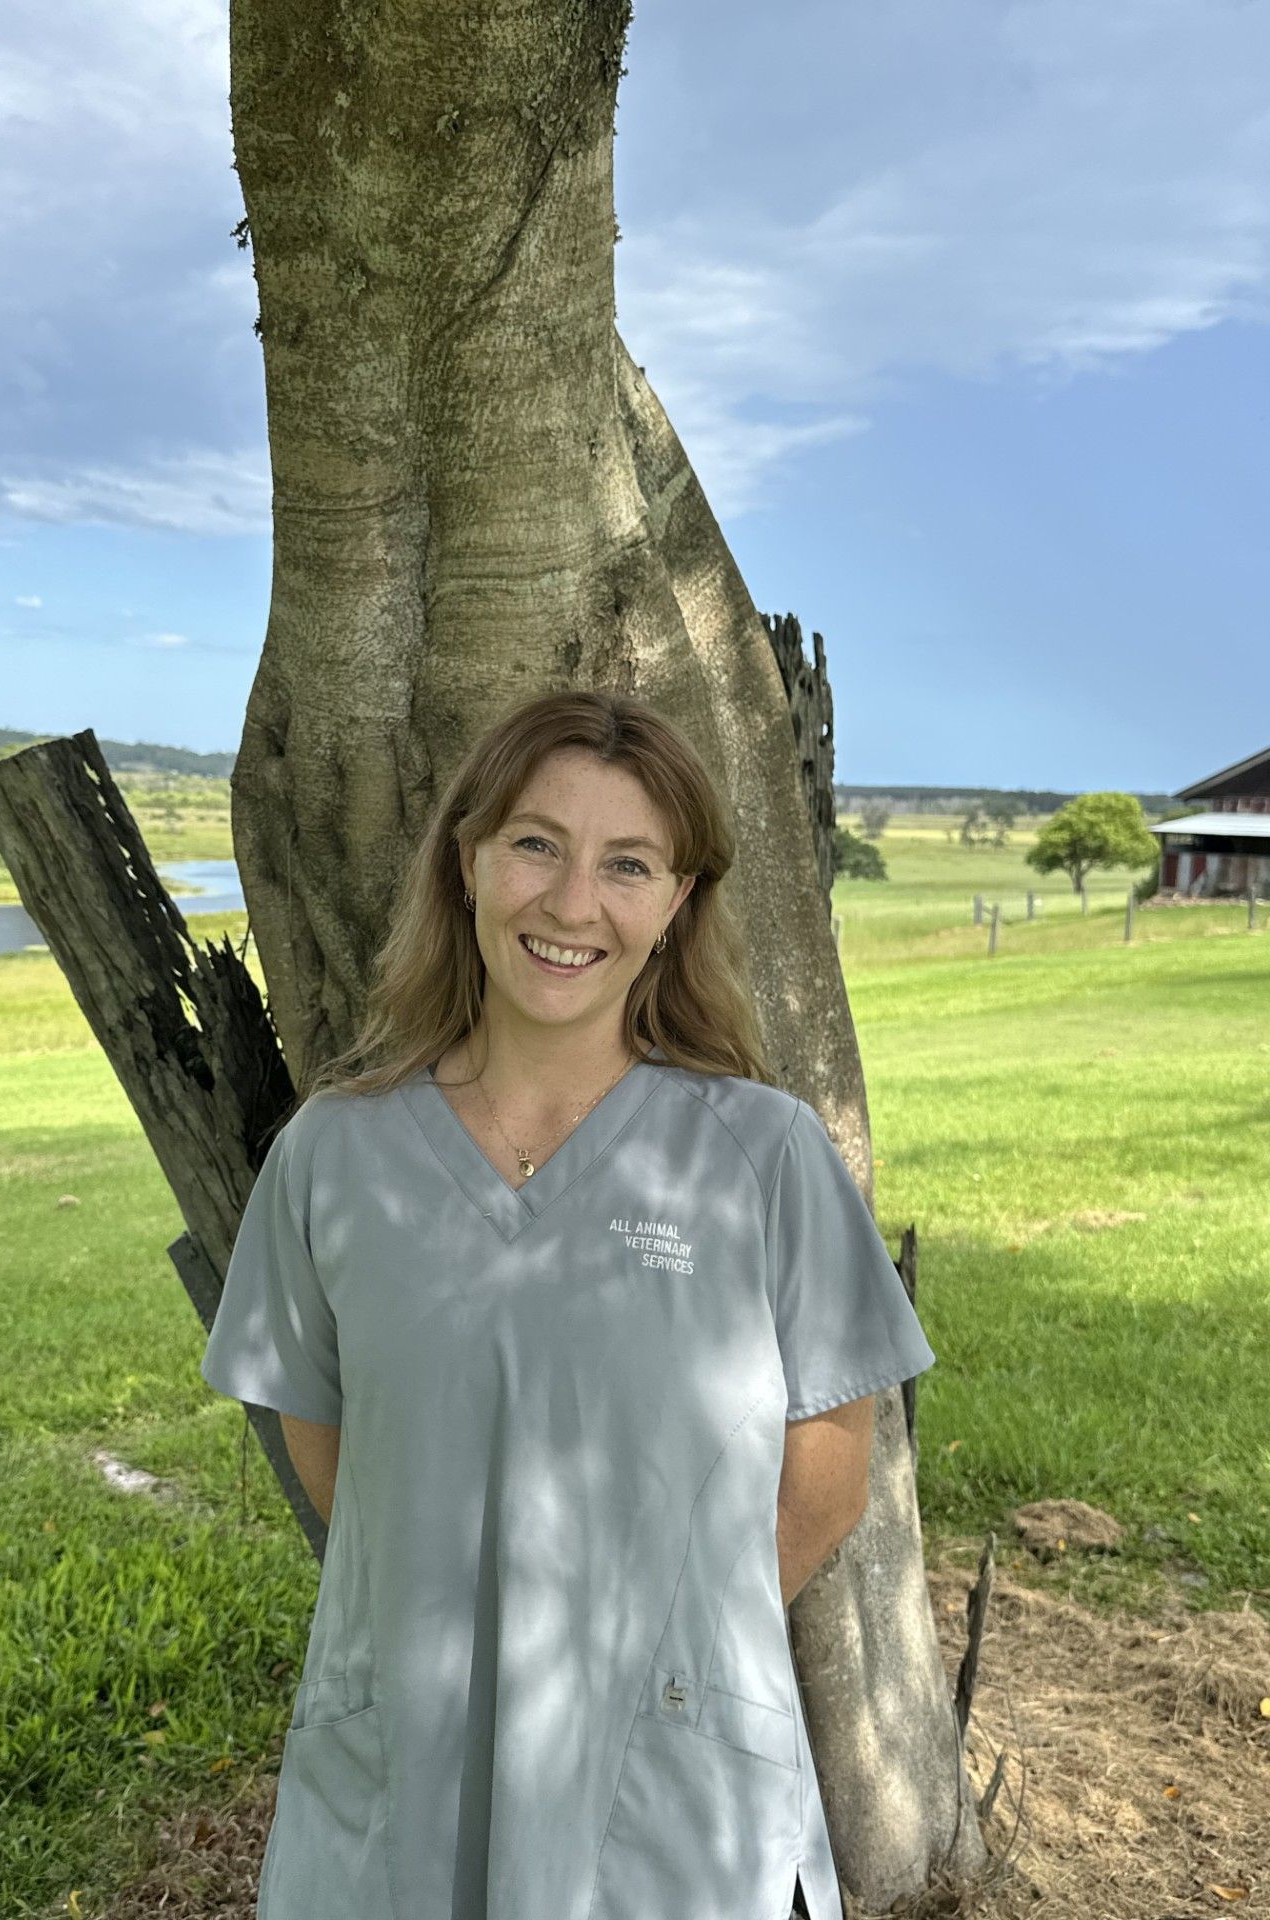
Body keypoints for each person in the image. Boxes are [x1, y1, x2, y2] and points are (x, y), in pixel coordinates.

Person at [200, 689, 936, 1920]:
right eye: (537, 843)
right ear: (469, 859)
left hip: (671, 1781)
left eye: (629, 864)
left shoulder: (762, 1157)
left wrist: (658, 1654)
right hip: (411, 1752)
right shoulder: (334, 1156)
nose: (572, 902)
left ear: (677, 907)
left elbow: (831, 1472)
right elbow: (332, 1450)